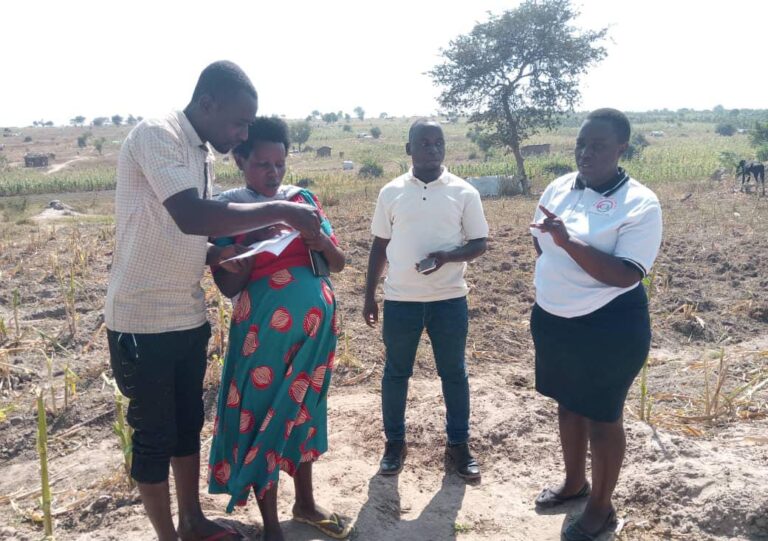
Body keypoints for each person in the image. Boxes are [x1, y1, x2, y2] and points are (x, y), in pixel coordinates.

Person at [105, 61, 323, 541]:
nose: (244, 132)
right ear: (207, 104)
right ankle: (170, 536)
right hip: (142, 318)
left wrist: (220, 255)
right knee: (154, 438)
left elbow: (186, 233)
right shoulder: (156, 135)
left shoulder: (199, 153)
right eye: (240, 122)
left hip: (186, 313)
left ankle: (194, 522)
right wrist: (282, 209)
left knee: (187, 428)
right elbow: (188, 214)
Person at [207, 117, 350, 541]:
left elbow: (337, 264)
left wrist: (318, 241)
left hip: (315, 336)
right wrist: (244, 255)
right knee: (263, 419)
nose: (273, 175)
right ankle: (272, 528)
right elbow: (229, 284)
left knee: (304, 415)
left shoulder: (302, 200)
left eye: (280, 165)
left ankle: (305, 503)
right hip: (263, 337)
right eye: (262, 165)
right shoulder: (227, 209)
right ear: (240, 160)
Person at [529, 108, 662, 541]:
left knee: (604, 417)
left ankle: (601, 508)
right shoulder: (559, 187)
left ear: (622, 148)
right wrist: (559, 272)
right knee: (568, 403)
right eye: (581, 144)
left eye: (598, 146)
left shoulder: (640, 202)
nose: (585, 153)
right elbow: (540, 241)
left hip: (610, 327)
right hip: (554, 318)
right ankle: (574, 485)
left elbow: (626, 273)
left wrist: (569, 243)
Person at [363, 119, 488, 480]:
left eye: (439, 142)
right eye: (424, 142)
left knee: (454, 373)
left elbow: (479, 243)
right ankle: (395, 443)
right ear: (409, 149)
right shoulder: (391, 192)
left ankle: (458, 445)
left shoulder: (464, 192)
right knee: (396, 373)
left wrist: (447, 256)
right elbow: (379, 245)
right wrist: (370, 295)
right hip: (400, 301)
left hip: (449, 300)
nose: (432, 148)